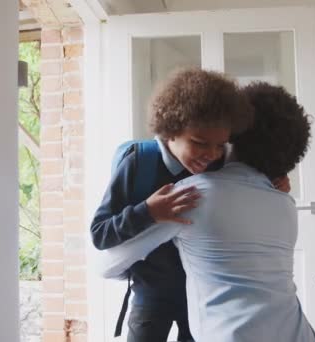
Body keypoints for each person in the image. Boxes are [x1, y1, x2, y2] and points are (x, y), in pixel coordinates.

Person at [95, 82, 315, 342]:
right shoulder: (284, 202)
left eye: (219, 143)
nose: (211, 153)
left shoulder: (194, 194)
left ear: (232, 136)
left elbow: (106, 265)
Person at [89, 68, 255, 342]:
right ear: (170, 130)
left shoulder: (224, 164)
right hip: (151, 291)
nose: (211, 155)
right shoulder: (137, 162)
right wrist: (149, 212)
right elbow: (101, 234)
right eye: (199, 143)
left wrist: (276, 182)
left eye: (220, 145)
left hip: (206, 294)